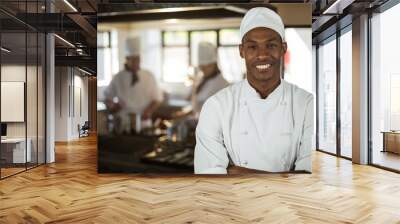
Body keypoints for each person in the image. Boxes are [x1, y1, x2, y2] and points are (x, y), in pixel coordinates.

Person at [194, 7, 314, 174]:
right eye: (252, 47)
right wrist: (288, 176)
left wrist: (238, 172)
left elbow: (309, 176)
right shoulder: (217, 106)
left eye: (271, 45)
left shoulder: (306, 104)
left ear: (283, 48)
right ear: (241, 51)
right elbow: (209, 177)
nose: (262, 55)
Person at [104, 36, 163, 134]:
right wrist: (113, 106)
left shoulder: (149, 76)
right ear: (127, 59)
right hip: (123, 122)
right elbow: (107, 98)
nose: (137, 62)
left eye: (138, 59)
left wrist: (148, 111)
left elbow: (157, 98)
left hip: (143, 122)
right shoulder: (118, 77)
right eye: (134, 59)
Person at [191, 42, 229, 117]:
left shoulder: (223, 84)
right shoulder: (202, 80)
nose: (204, 70)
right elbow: (196, 107)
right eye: (202, 67)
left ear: (214, 65)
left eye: (207, 67)